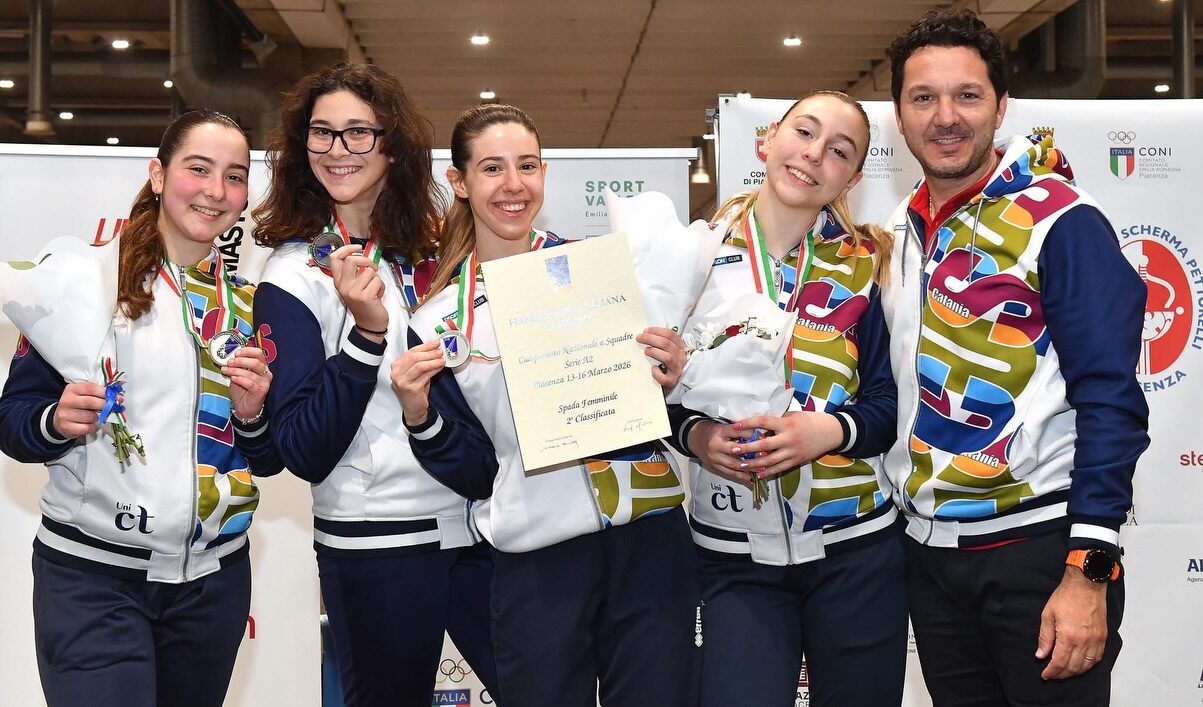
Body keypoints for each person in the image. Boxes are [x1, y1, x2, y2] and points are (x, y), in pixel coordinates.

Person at [882, 8, 1149, 706]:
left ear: (1001, 107)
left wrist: (1088, 568)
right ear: (898, 115)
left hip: (1041, 553)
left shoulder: (1061, 218)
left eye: (967, 95)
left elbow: (1111, 398)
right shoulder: (898, 231)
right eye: (923, 97)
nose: (946, 117)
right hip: (930, 558)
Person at [394, 103, 696, 707]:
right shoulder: (439, 321)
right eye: (492, 168)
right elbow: (475, 472)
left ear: (544, 172)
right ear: (459, 182)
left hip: (648, 538)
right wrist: (419, 416)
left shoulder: (607, 273)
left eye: (527, 165)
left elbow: (660, 407)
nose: (514, 184)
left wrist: (670, 376)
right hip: (538, 559)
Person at [0, 109, 279, 707]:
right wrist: (55, 422)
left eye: (234, 176)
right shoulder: (86, 283)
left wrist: (253, 415)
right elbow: (14, 420)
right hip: (92, 578)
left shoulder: (250, 304)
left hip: (212, 586)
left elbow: (270, 454)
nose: (215, 191)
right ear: (157, 175)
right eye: (198, 169)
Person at [251, 63, 498, 707]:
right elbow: (302, 450)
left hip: (480, 525)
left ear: (393, 144)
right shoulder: (293, 275)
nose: (339, 149)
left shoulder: (438, 251)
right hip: (378, 543)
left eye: (359, 131)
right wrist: (364, 337)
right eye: (322, 132)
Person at [669, 90, 905, 707]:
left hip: (856, 549)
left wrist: (826, 432)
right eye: (804, 132)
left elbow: (892, 403)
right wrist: (698, 437)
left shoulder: (870, 264)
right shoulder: (691, 258)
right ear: (768, 138)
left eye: (840, 151)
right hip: (733, 553)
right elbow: (653, 395)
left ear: (852, 178)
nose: (814, 154)